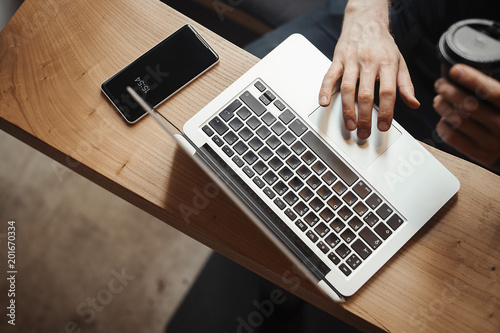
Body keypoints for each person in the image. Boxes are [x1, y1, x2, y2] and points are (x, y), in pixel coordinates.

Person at [246, 0, 500, 172]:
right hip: (396, 12)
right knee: (240, 100)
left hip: (487, 118)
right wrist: (365, 12)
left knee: (360, 214)